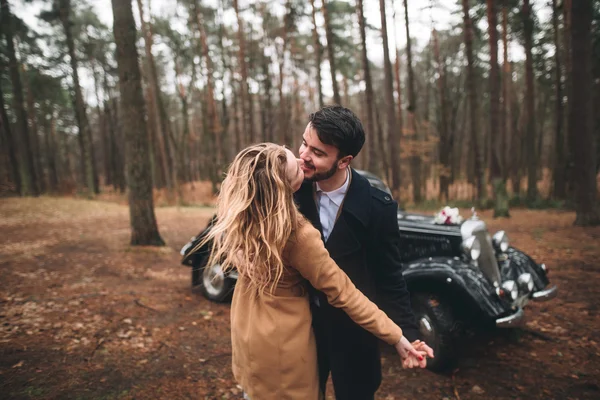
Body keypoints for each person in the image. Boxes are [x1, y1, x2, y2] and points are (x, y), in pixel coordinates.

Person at [198, 143, 426, 400]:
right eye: (296, 162)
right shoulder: (297, 234)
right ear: (290, 187)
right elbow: (345, 293)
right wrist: (396, 336)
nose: (301, 158)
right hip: (282, 340)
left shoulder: (243, 214)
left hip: (247, 328)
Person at [295, 105, 434, 399]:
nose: (304, 156)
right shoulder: (289, 190)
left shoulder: (377, 207)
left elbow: (390, 277)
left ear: (345, 160)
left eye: (318, 152)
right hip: (300, 326)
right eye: (305, 144)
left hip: (355, 330)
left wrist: (408, 334)